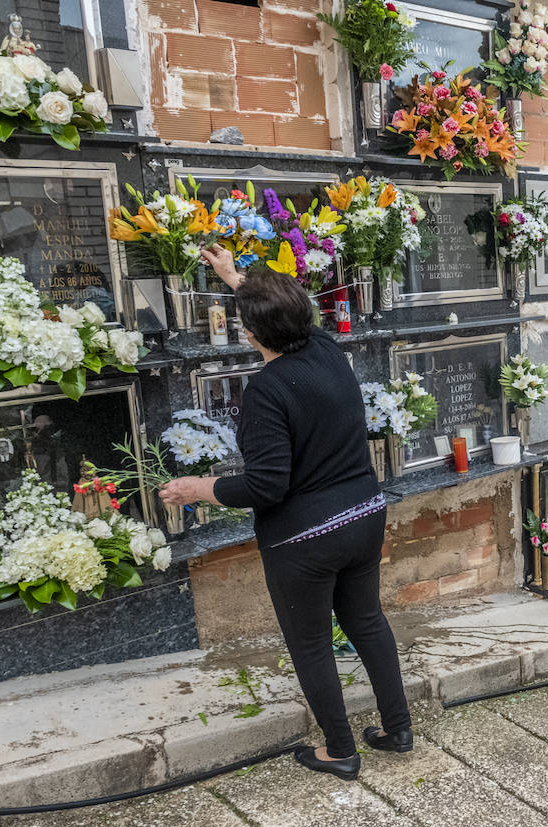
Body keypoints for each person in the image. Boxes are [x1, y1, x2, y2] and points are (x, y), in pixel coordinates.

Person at [160, 246, 413, 781]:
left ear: (251, 334)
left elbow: (266, 486)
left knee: (312, 643)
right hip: (364, 516)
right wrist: (235, 279)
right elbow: (285, 315)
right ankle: (397, 729)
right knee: (367, 621)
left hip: (306, 539)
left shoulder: (266, 392)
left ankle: (340, 750)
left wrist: (198, 487)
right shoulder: (327, 349)